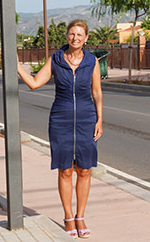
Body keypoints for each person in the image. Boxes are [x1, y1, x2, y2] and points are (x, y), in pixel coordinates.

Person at [17, 19, 103, 239]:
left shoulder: (92, 61)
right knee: (65, 169)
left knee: (84, 169)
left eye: (79, 35)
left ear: (86, 38)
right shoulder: (56, 59)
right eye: (72, 34)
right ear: (67, 36)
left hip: (86, 118)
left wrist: (99, 119)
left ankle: (80, 216)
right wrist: (16, 65)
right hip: (61, 119)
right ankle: (68, 217)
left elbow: (97, 93)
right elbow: (35, 83)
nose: (75, 38)